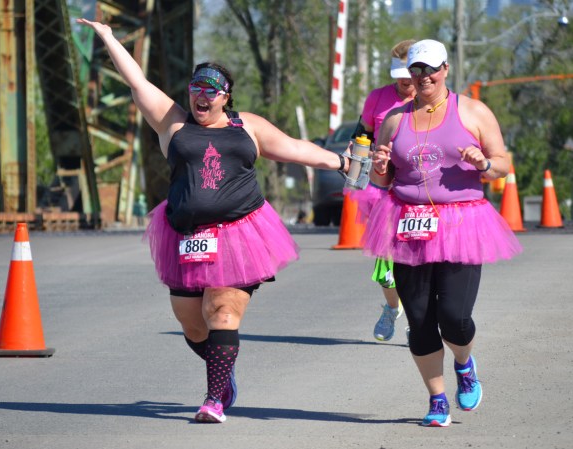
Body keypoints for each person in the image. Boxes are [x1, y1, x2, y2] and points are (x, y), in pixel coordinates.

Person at [76, 18, 350, 424]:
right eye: (196, 89)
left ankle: (213, 399)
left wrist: (342, 161)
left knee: (222, 313)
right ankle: (223, 368)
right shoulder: (174, 122)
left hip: (239, 232)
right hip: (183, 234)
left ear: (225, 97)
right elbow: (138, 83)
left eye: (211, 91)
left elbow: (295, 149)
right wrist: (109, 38)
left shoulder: (247, 127)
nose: (201, 98)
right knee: (193, 326)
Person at [364, 39, 522, 427]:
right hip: (407, 222)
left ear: (445, 69)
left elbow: (502, 163)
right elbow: (380, 178)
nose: (423, 77)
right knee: (419, 319)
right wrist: (380, 164)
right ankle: (436, 399)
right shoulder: (395, 120)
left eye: (430, 70)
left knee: (453, 317)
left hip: (460, 223)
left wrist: (484, 161)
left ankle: (465, 365)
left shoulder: (472, 111)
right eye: (416, 71)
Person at [353, 39, 416, 343]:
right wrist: (354, 170)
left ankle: (419, 320)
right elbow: (362, 135)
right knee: (385, 260)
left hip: (421, 189)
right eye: (399, 73)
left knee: (418, 256)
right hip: (383, 187)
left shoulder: (434, 98)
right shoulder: (378, 98)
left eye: (410, 72)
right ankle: (393, 308)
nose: (405, 80)